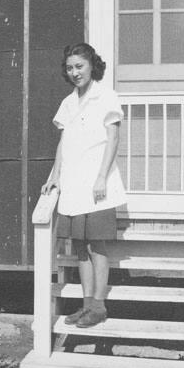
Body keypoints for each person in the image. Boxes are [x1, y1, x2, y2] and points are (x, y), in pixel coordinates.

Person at [41, 42, 126, 328]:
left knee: (95, 246)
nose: (75, 72)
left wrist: (102, 176)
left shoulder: (106, 96)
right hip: (74, 184)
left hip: (97, 184)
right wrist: (55, 175)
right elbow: (64, 143)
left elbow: (113, 138)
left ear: (92, 66)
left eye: (80, 66)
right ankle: (87, 304)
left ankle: (99, 306)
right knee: (79, 246)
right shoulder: (68, 102)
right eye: (70, 68)